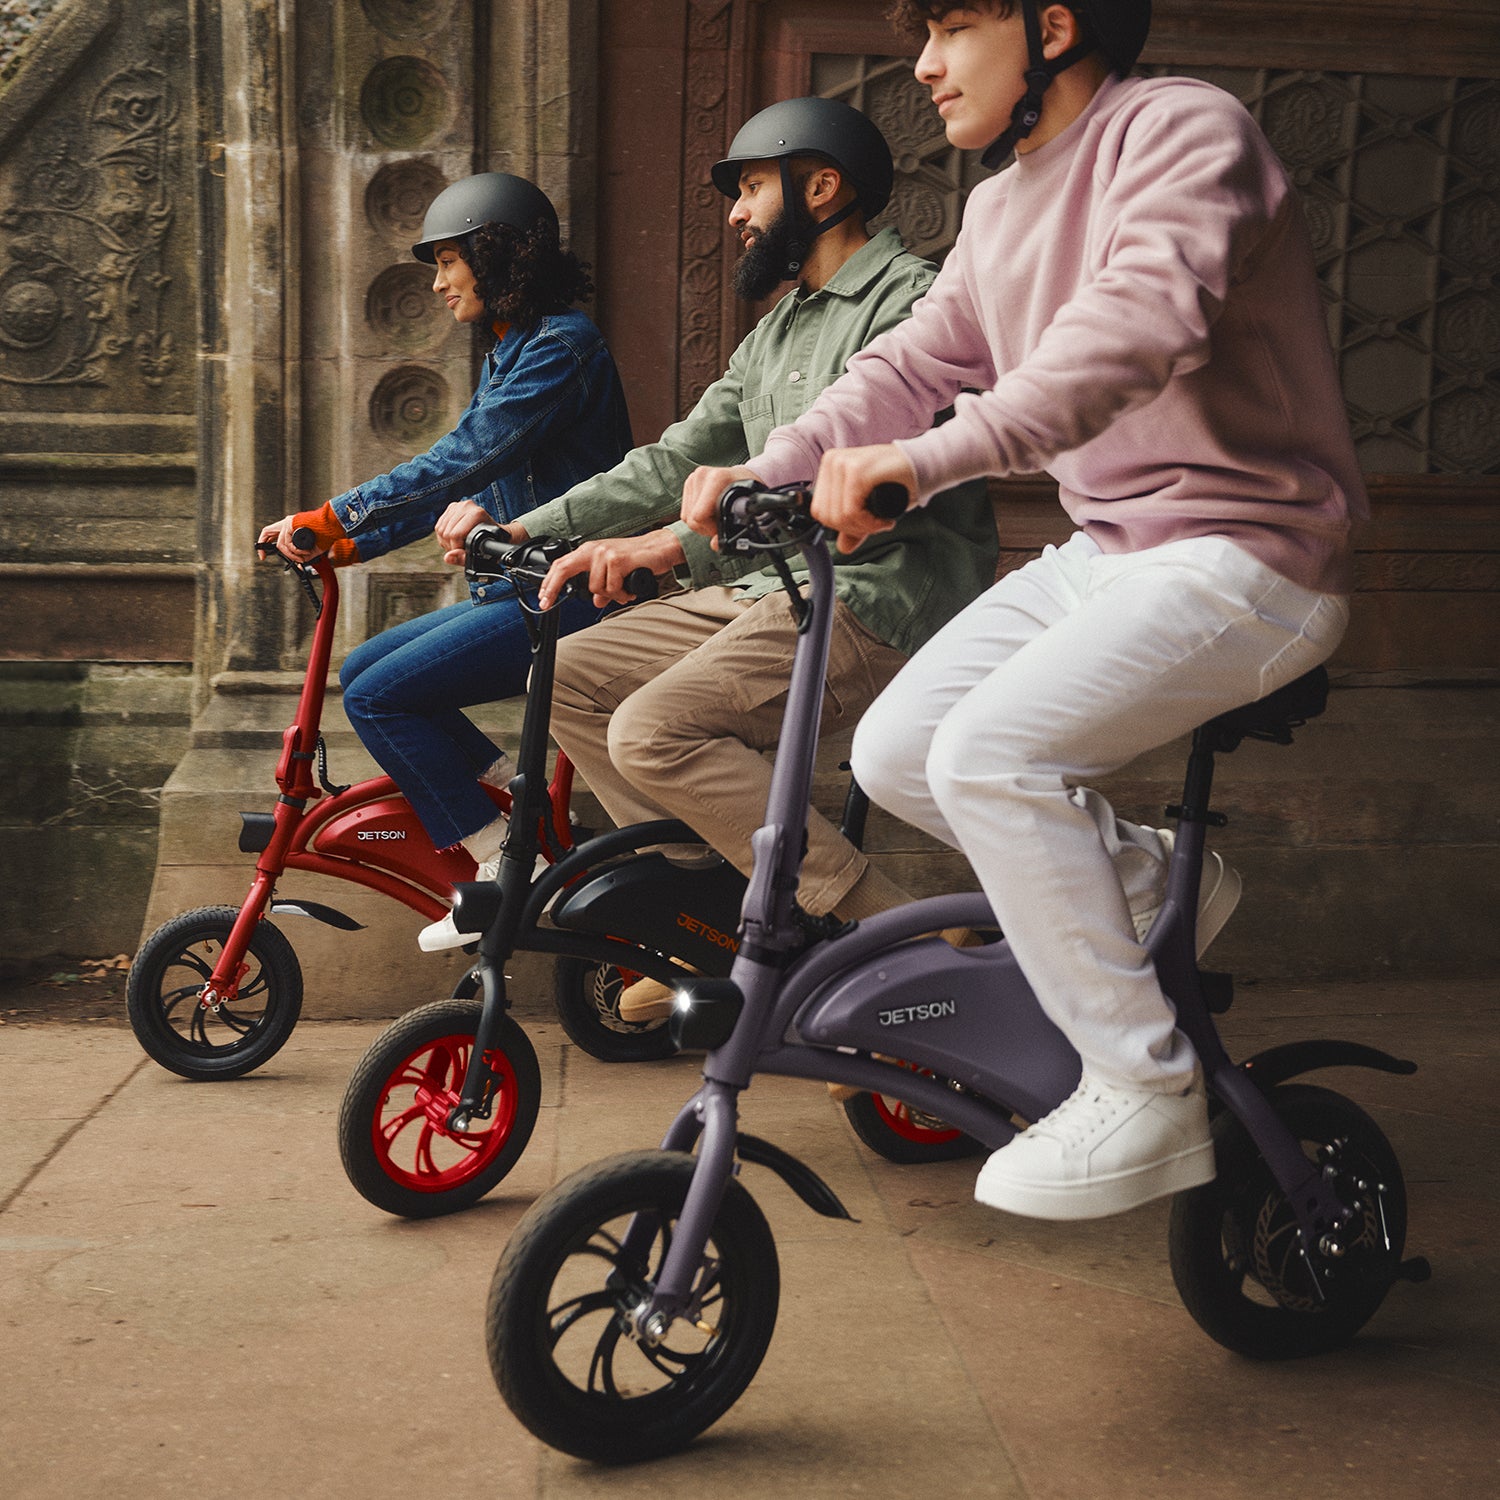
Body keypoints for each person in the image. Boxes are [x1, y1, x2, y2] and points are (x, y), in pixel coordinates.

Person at [682, 0, 1367, 1220]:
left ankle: (1143, 1084)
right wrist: (774, 465)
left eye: (952, 27)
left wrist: (932, 459)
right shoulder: (997, 207)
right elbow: (909, 364)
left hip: (1248, 551)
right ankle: (1158, 884)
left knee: (991, 755)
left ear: (1052, 25)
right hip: (1107, 547)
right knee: (898, 753)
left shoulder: (1184, 133)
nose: (926, 64)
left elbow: (1132, 334)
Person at [446, 98, 999, 1019]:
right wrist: (537, 526)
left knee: (651, 732)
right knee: (573, 667)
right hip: (762, 588)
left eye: (749, 188)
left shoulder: (912, 300)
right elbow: (675, 458)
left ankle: (885, 934)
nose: (735, 213)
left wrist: (672, 544)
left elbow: (846, 487)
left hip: (874, 593)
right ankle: (706, 915)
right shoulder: (777, 331)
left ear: (821, 188)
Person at [257, 173, 632, 951]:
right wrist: (349, 543)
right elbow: (467, 481)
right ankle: (509, 805)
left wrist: (334, 516)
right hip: (520, 591)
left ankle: (502, 861)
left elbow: (462, 459)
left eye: (449, 261)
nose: (436, 282)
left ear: (496, 258)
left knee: (384, 698)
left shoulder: (561, 345)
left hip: (565, 595)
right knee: (363, 672)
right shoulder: (514, 352)